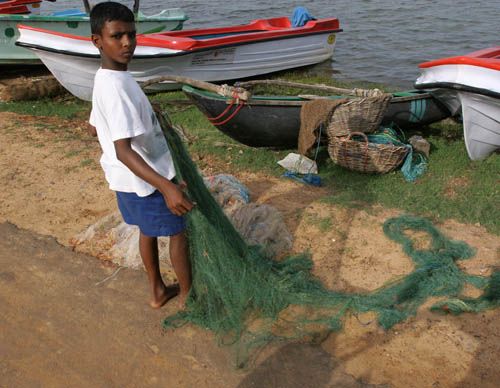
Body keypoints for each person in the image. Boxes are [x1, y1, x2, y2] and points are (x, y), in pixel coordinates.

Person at [88, 2, 193, 309]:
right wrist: (167, 187)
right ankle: (189, 297)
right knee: (179, 232)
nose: (127, 43)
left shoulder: (107, 77)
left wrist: (144, 117)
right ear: (97, 41)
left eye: (132, 35)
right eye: (117, 36)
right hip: (146, 181)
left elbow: (95, 126)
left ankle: (158, 290)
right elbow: (123, 150)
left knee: (147, 231)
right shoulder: (116, 88)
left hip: (127, 182)